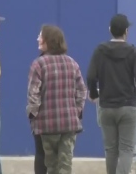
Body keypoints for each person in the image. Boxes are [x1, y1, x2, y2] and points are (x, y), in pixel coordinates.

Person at [86, 14, 136, 174]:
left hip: (106, 107)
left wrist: (94, 94)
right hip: (128, 107)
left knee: (111, 150)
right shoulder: (133, 52)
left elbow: (90, 76)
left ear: (110, 30)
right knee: (126, 149)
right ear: (126, 31)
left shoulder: (100, 51)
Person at [27, 25, 87, 174]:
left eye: (40, 36)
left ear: (48, 41)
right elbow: (82, 90)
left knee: (51, 165)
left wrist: (34, 115)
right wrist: (76, 111)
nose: (37, 39)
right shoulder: (72, 63)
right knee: (65, 165)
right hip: (69, 124)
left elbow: (33, 93)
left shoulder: (39, 64)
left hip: (47, 125)